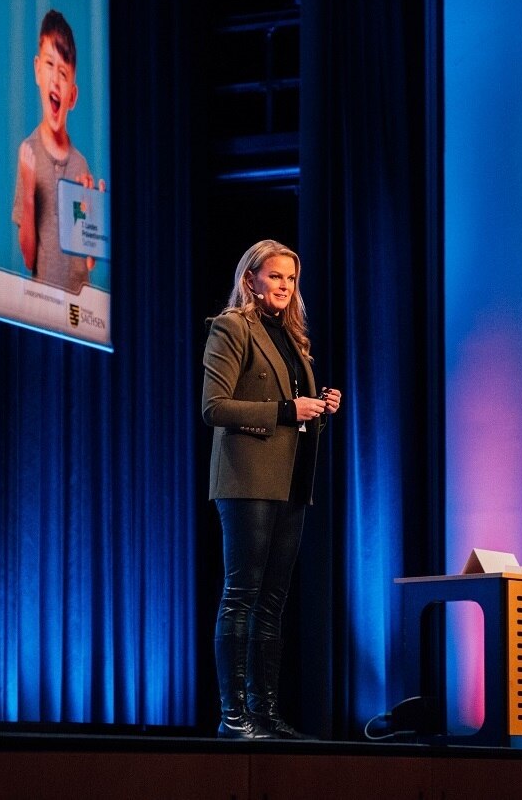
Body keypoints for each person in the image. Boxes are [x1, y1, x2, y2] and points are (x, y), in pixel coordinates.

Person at [201, 240, 342, 739]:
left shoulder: (292, 339)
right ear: (251, 279)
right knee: (242, 594)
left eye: (290, 279)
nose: (283, 287)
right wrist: (287, 409)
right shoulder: (232, 327)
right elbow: (214, 407)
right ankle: (233, 716)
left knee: (273, 603)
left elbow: (295, 420)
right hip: (246, 481)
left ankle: (265, 713)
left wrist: (318, 409)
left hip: (290, 483)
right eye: (274, 276)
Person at [12, 9, 102, 294]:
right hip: (43, 305)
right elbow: (28, 259)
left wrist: (92, 214)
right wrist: (28, 193)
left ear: (72, 96)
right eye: (50, 65)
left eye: (63, 72)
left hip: (79, 308)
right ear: (37, 69)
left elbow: (88, 262)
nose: (55, 79)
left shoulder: (81, 164)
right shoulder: (28, 153)